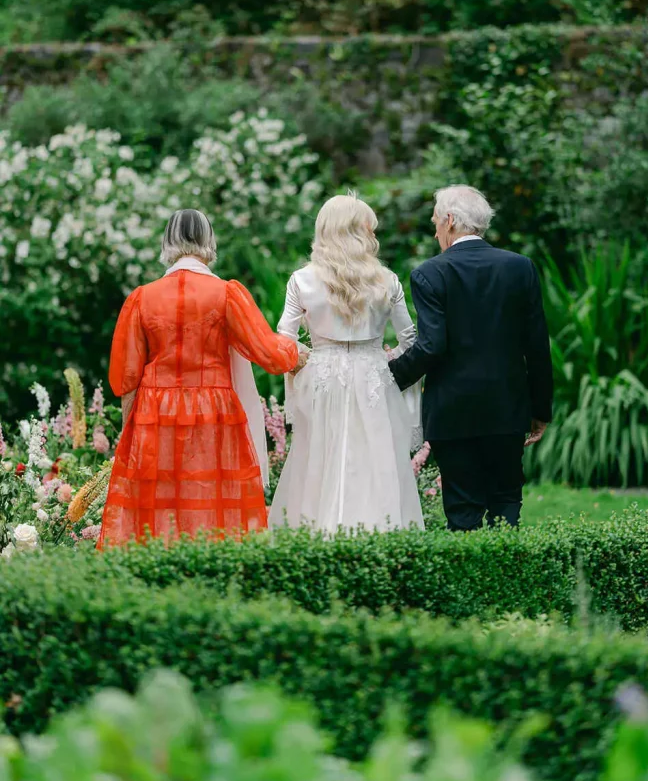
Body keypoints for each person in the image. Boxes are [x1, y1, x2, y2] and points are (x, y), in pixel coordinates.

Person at [97, 208, 302, 548]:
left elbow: (127, 378)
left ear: (167, 243)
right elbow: (267, 352)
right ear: (209, 242)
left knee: (158, 501)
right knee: (211, 498)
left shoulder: (141, 298)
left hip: (154, 410)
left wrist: (129, 434)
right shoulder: (226, 293)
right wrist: (297, 353)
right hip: (213, 410)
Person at [389, 185, 553, 532]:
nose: (435, 232)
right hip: (508, 410)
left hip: (453, 412)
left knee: (462, 514)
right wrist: (540, 409)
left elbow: (431, 345)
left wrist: (389, 375)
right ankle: (509, 581)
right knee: (506, 505)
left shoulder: (429, 274)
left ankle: (471, 583)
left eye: (435, 222)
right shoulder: (520, 267)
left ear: (449, 220)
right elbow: (537, 345)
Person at [269, 194, 424, 533]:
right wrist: (388, 367)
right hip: (373, 378)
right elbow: (410, 340)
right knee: (375, 460)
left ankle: (316, 535)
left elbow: (284, 339)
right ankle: (379, 533)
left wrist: (305, 364)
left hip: (322, 380)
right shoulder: (387, 280)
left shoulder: (302, 280)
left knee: (319, 461)